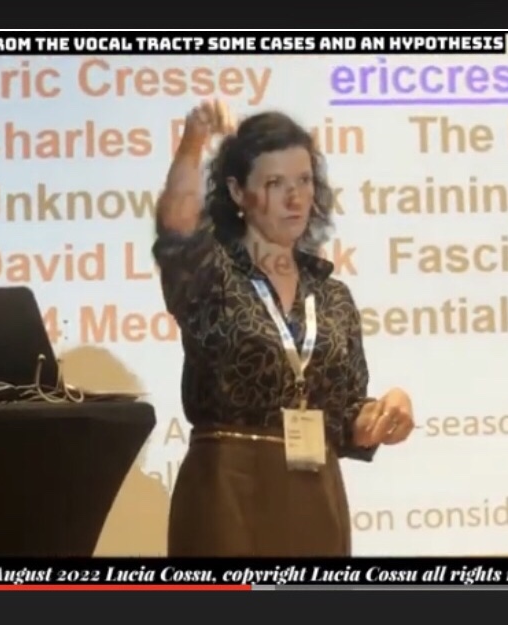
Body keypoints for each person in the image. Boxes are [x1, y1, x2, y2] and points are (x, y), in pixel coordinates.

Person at [153, 100, 415, 557]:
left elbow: (345, 418)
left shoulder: (332, 294)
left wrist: (384, 415)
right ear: (238, 193)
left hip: (317, 495)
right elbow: (176, 231)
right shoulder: (210, 276)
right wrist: (193, 142)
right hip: (228, 491)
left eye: (304, 181)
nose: (295, 198)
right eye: (276, 184)